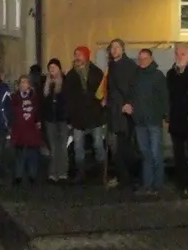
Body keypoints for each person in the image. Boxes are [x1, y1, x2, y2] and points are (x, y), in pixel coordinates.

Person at [126, 49, 169, 194]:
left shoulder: (158, 76)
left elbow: (164, 97)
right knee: (145, 155)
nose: (142, 61)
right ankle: (147, 185)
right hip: (140, 122)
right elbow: (130, 95)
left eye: (145, 58)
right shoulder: (135, 76)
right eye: (140, 58)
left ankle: (158, 186)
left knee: (156, 154)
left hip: (154, 121)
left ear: (151, 59)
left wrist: (165, 116)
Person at [63, 47, 106, 181]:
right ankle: (80, 173)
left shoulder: (97, 73)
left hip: (95, 116)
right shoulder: (70, 76)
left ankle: (101, 172)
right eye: (75, 54)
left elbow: (103, 91)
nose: (77, 57)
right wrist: (69, 117)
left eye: (79, 55)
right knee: (78, 148)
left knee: (98, 145)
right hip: (78, 118)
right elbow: (68, 98)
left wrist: (102, 108)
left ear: (86, 56)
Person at [103, 39, 138, 189]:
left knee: (123, 147)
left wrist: (128, 103)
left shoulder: (128, 65)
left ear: (123, 49)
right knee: (117, 147)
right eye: (112, 48)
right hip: (114, 111)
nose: (114, 50)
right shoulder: (112, 66)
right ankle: (123, 177)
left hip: (124, 111)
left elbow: (131, 86)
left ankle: (127, 178)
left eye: (117, 47)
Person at [165, 46, 188, 191]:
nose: (179, 56)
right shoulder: (170, 74)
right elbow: (168, 96)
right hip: (175, 118)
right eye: (177, 54)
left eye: (183, 54)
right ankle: (181, 183)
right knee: (178, 153)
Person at [9, 75, 43, 187]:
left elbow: (38, 111)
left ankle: (32, 176)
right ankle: (18, 176)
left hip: (32, 130)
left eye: (26, 82)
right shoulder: (14, 98)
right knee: (19, 154)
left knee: (32, 154)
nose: (24, 85)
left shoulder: (34, 98)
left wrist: (38, 121)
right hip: (19, 130)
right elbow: (11, 112)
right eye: (22, 82)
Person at [40, 59, 69, 183]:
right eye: (50, 67)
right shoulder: (46, 83)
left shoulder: (65, 82)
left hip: (62, 119)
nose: (52, 69)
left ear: (59, 68)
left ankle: (62, 173)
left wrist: (69, 118)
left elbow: (69, 102)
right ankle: (52, 173)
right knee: (53, 147)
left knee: (62, 146)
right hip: (50, 119)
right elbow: (42, 102)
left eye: (54, 67)